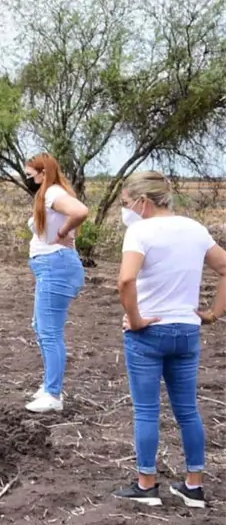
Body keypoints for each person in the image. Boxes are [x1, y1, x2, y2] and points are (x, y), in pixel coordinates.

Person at [112, 170, 226, 508]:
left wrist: (135, 320)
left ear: (143, 202)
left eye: (127, 202)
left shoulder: (139, 231)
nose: (127, 209)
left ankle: (146, 484)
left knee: (147, 411)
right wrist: (214, 313)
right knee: (188, 410)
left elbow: (125, 280)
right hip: (187, 331)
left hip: (149, 332)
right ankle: (194, 485)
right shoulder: (195, 229)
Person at [22, 153, 89, 413]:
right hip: (51, 266)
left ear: (42, 174)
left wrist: (60, 234)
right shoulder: (50, 193)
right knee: (41, 327)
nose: (28, 181)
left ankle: (53, 394)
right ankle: (50, 384)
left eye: (30, 176)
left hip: (55, 266)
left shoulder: (52, 193)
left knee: (50, 332)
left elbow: (80, 211)